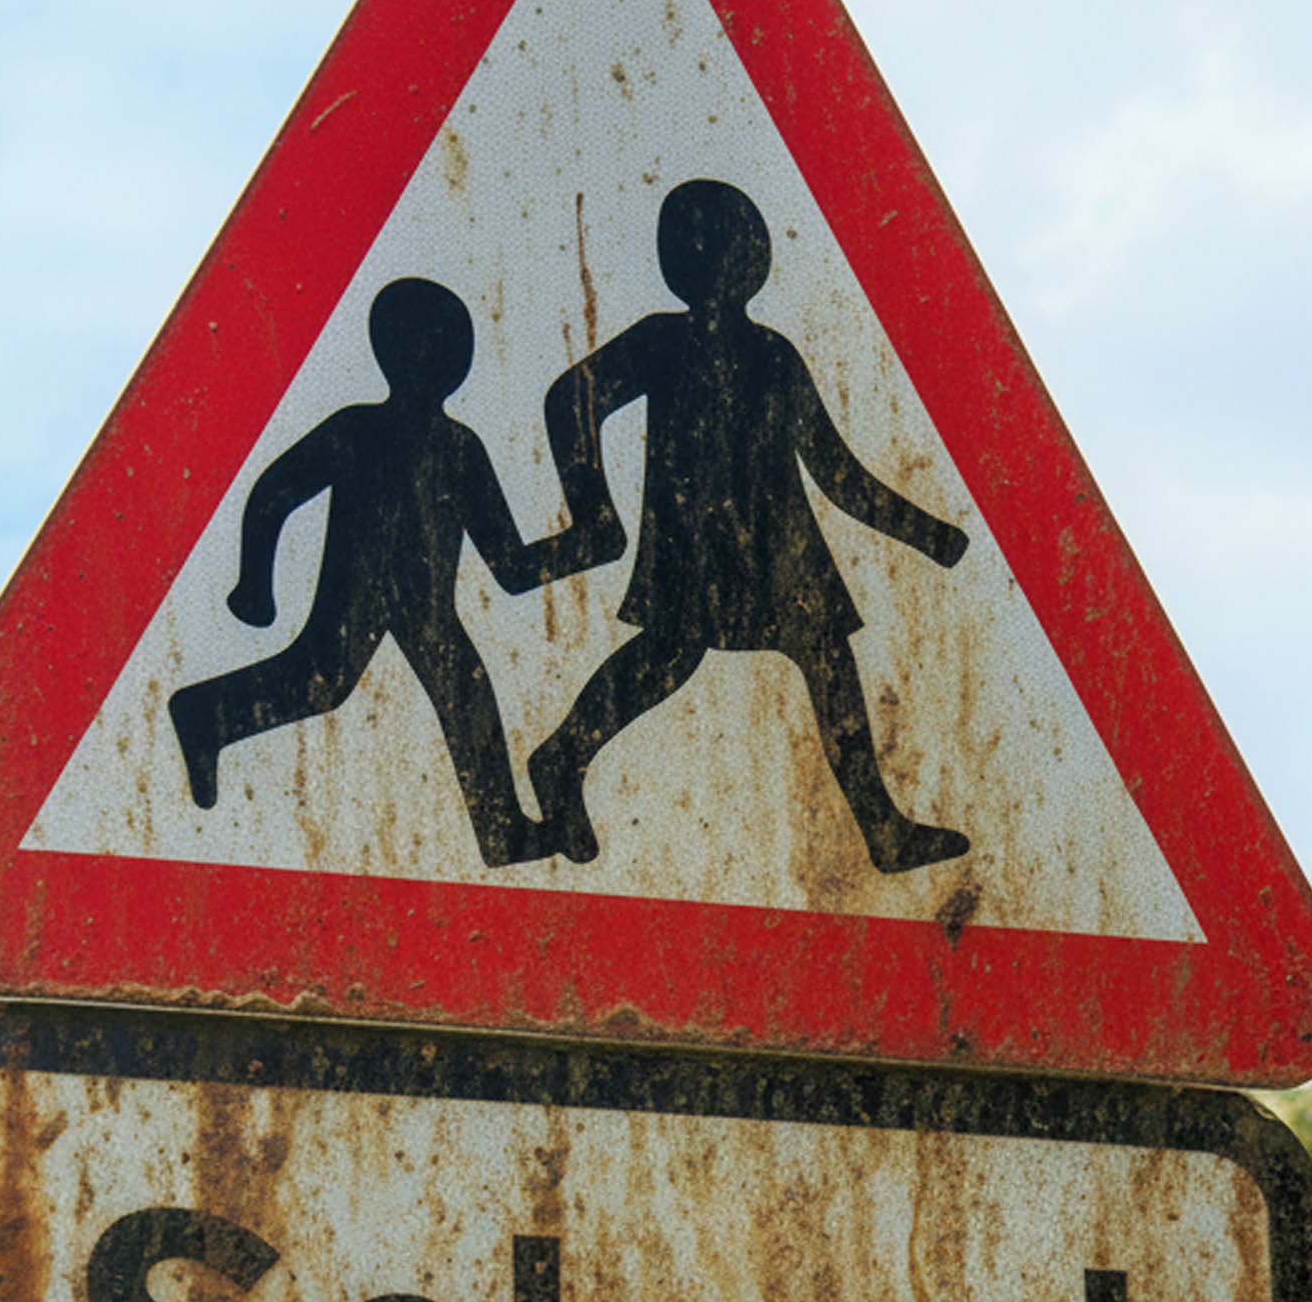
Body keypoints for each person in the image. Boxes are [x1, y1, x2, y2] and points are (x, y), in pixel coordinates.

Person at [524, 179, 971, 873]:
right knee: (672, 657)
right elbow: (567, 401)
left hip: (774, 547)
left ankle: (881, 829)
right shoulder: (660, 342)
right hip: (697, 546)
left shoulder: (774, 355)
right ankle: (561, 756)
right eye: (726, 247)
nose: (738, 261)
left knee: (804, 656)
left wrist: (925, 533)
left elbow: (835, 470)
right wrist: (594, 511)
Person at [168, 276, 597, 865]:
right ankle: (203, 714)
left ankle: (503, 834)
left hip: (427, 606)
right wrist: (253, 583)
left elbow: (510, 564)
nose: (445, 357)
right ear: (391, 349)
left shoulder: (460, 448)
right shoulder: (356, 430)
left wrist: (582, 548)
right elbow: (275, 492)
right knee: (322, 681)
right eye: (434, 344)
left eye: (453, 345)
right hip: (357, 595)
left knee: (455, 693)